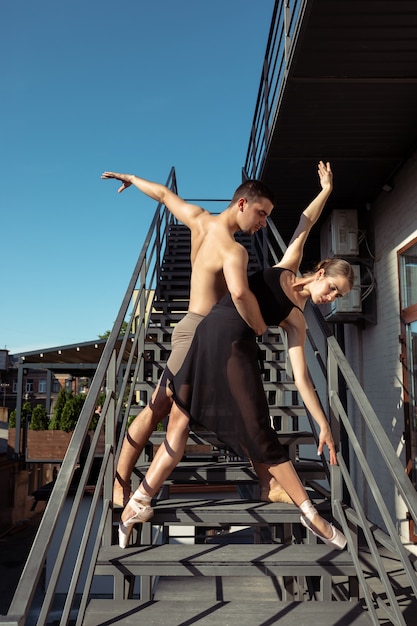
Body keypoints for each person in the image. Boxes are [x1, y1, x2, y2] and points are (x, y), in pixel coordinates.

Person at [118, 161, 354, 551]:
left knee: (194, 424)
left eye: (338, 295)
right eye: (333, 286)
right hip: (209, 336)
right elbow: (305, 223)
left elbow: (302, 380)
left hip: (230, 352)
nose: (332, 297)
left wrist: (323, 423)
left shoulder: (299, 322)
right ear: (321, 269)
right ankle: (130, 491)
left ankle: (137, 502)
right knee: (182, 420)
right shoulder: (286, 265)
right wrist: (326, 191)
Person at [101, 170, 278, 510]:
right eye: (261, 214)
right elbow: (240, 293)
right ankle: (120, 479)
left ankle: (268, 480)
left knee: (247, 405)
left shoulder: (198, 219)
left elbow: (165, 196)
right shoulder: (232, 249)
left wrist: (133, 179)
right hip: (198, 331)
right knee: (158, 406)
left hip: (210, 334)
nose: (263, 223)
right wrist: (260, 326)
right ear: (242, 203)